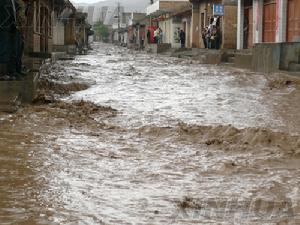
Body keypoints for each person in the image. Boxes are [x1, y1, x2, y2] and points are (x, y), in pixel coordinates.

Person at [0, 0, 17, 78]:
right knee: (3, 50)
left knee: (8, 50)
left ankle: (6, 72)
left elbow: (12, 14)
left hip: (10, 29)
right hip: (4, 28)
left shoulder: (12, 1)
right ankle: (2, 73)